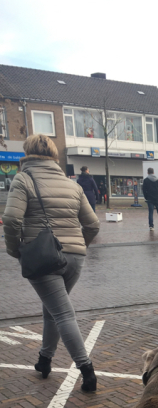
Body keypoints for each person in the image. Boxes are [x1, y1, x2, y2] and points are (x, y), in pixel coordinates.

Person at [2, 134, 101, 392]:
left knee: (63, 314)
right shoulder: (73, 185)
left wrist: (16, 251)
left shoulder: (23, 179)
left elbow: (11, 219)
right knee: (53, 309)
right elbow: (92, 224)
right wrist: (78, 248)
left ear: (28, 153)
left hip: (42, 257)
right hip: (75, 259)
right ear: (55, 156)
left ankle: (87, 370)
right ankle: (44, 360)